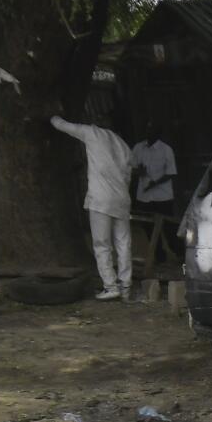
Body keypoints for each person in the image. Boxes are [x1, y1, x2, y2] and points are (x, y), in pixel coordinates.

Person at [51, 114, 133, 300]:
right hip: (121, 199)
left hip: (101, 199)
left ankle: (110, 286)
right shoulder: (122, 144)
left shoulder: (92, 133)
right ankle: (126, 286)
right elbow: (129, 173)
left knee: (102, 244)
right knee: (123, 244)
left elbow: (62, 125)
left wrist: (51, 116)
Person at [131, 123, 178, 261]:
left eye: (152, 130)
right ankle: (159, 257)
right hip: (144, 197)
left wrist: (155, 183)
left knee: (169, 229)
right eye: (147, 129)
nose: (148, 132)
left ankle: (179, 255)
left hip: (163, 197)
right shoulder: (138, 148)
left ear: (158, 133)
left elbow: (171, 173)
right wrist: (139, 172)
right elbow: (132, 169)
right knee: (149, 229)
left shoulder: (166, 150)